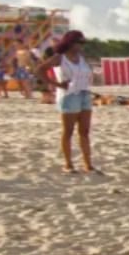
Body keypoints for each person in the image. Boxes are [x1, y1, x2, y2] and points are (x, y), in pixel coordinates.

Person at [38, 30, 97, 173]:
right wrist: (57, 84)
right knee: (68, 131)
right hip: (69, 96)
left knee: (84, 131)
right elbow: (40, 70)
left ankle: (88, 164)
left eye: (82, 43)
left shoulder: (81, 57)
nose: (80, 46)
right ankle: (68, 163)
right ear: (70, 42)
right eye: (78, 42)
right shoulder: (60, 57)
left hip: (84, 94)